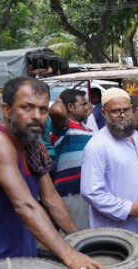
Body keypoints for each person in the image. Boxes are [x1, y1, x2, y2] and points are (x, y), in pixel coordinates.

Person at [0, 77, 106, 269]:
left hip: (24, 252)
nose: (36, 116)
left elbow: (51, 198)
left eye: (42, 109)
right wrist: (68, 254)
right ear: (7, 110)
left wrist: (79, 242)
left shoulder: (32, 145)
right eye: (27, 108)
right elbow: (25, 205)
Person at [81, 88, 138, 232]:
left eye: (126, 110)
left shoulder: (135, 136)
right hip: (116, 231)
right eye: (116, 111)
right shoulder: (97, 146)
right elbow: (90, 192)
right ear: (104, 113)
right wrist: (127, 208)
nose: (123, 115)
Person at [52, 88, 95, 230]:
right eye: (82, 104)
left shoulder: (88, 130)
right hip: (71, 194)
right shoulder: (65, 127)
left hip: (86, 193)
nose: (87, 107)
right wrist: (60, 100)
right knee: (76, 238)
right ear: (70, 107)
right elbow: (57, 111)